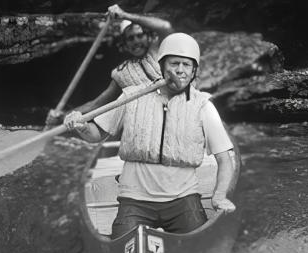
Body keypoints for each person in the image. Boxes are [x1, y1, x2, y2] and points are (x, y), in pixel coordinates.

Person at [64, 33, 238, 238]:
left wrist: (219, 196)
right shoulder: (131, 95)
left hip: (183, 200)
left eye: (187, 65)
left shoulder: (203, 106)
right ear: (162, 65)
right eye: (174, 64)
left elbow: (225, 160)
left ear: (194, 72)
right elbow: (96, 135)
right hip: (134, 201)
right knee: (121, 246)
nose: (180, 70)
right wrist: (81, 126)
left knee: (199, 243)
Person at [46, 4, 174, 125]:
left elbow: (165, 27)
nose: (136, 41)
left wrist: (124, 15)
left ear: (148, 37)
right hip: (153, 125)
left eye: (139, 36)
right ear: (125, 44)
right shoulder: (122, 72)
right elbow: (96, 105)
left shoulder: (160, 48)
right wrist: (63, 116)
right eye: (130, 38)